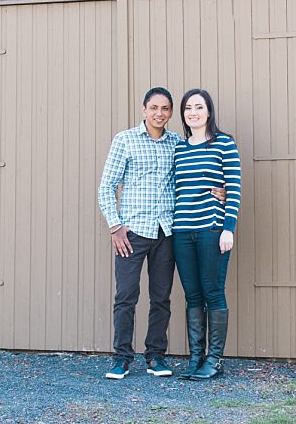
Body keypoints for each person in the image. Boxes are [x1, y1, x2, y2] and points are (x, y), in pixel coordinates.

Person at [97, 87, 181, 380]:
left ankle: (155, 356)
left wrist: (216, 189)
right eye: (154, 107)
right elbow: (107, 185)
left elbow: (189, 180)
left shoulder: (177, 144)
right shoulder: (125, 140)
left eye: (165, 108)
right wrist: (115, 226)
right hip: (132, 232)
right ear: (143, 110)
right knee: (127, 295)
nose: (160, 113)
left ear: (170, 112)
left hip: (166, 231)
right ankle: (122, 357)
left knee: (161, 297)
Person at [172, 88, 242, 380]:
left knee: (213, 291)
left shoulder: (224, 144)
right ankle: (196, 358)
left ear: (209, 111)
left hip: (212, 229)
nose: (193, 112)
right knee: (192, 295)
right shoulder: (179, 148)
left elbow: (234, 188)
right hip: (181, 230)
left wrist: (229, 228)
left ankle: (215, 360)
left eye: (199, 107)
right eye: (188, 108)